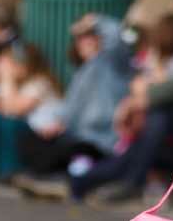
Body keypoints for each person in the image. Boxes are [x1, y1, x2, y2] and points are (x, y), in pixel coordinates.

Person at [73, 8, 173, 204]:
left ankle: (124, 181)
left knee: (157, 118)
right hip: (148, 135)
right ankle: (89, 181)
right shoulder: (158, 59)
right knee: (140, 140)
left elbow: (169, 90)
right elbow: (141, 86)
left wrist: (94, 21)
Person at [11, 12, 135, 191]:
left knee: (73, 152)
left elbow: (117, 37)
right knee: (28, 138)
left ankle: (64, 179)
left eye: (90, 36)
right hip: (76, 136)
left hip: (100, 142)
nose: (85, 42)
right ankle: (53, 178)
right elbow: (70, 111)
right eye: (81, 39)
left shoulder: (113, 64)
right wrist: (55, 124)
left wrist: (93, 21)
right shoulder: (81, 73)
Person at [0, 40, 61, 180]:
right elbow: (3, 110)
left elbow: (15, 110)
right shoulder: (19, 84)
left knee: (10, 124)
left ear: (25, 65)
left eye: (12, 63)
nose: (9, 67)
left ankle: (12, 169)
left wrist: (6, 78)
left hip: (47, 137)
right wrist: (3, 81)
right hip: (33, 134)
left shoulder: (41, 82)